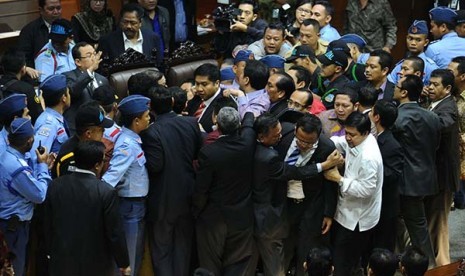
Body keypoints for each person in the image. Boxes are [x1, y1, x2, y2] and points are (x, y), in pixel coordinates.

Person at [252, 113, 342, 276]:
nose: (303, 144)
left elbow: (330, 183)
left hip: (311, 206)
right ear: (295, 130)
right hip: (284, 203)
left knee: (305, 250)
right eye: (300, 139)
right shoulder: (282, 134)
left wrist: (329, 213)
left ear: (318, 135)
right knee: (283, 249)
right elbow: (286, 171)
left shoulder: (327, 147)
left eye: (309, 142)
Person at [140, 86, 202, 275]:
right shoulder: (191, 123)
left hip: (163, 200)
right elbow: (197, 153)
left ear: (150, 107)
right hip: (188, 193)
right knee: (183, 248)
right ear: (173, 103)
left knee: (162, 250)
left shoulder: (151, 132)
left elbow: (156, 166)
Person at [44, 141, 130, 276]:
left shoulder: (55, 186)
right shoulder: (106, 192)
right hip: (96, 264)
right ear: (97, 165)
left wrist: (49, 252)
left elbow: (47, 223)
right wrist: (123, 263)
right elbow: (114, 232)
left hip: (61, 259)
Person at [192, 109, 256, 276]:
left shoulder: (209, 153)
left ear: (217, 126)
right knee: (239, 265)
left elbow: (202, 189)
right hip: (242, 216)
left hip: (214, 218)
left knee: (210, 264)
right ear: (239, 125)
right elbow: (249, 123)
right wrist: (247, 112)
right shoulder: (248, 144)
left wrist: (196, 211)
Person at [324, 112, 384, 276]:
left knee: (343, 262)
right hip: (346, 211)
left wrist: (339, 179)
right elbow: (341, 142)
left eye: (352, 135)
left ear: (365, 133)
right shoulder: (359, 139)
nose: (348, 138)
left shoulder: (369, 157)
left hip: (358, 219)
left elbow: (367, 190)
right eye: (346, 132)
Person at [392, 75, 440, 268]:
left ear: (404, 92)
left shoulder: (397, 117)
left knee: (410, 225)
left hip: (405, 178)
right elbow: (435, 146)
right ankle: (423, 265)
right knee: (417, 225)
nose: (393, 89)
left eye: (397, 86)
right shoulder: (432, 116)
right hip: (426, 177)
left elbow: (393, 151)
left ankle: (425, 267)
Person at [102, 95, 151, 276]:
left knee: (135, 255)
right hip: (130, 205)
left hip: (135, 205)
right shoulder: (127, 145)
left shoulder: (132, 139)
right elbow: (110, 179)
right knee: (128, 259)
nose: (149, 119)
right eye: (146, 116)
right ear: (136, 121)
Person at [0, 118, 52, 276]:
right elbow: (39, 194)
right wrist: (43, 166)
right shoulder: (17, 167)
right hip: (14, 228)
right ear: (29, 140)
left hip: (8, 224)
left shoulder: (6, 156)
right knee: (14, 269)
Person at [426, 69, 460, 266]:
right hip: (435, 175)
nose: (430, 87)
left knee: (439, 223)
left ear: (447, 88)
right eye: (429, 83)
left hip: (443, 176)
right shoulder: (434, 103)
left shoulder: (448, 108)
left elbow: (444, 123)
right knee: (434, 221)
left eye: (435, 84)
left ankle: (442, 265)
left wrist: (419, 116)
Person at [368, 100, 404, 253]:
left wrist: (369, 171)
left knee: (382, 246)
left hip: (385, 204)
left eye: (372, 111)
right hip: (375, 202)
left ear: (376, 117)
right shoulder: (376, 137)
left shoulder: (391, 144)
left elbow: (393, 173)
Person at [52, 103, 113, 178]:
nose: (103, 132)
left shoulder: (89, 149)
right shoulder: (70, 158)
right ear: (88, 134)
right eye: (101, 130)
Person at [63, 42, 108, 135]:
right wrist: (90, 71)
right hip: (77, 130)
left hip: (99, 129)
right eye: (89, 55)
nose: (94, 58)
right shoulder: (68, 77)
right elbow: (73, 91)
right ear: (78, 62)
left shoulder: (102, 79)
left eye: (94, 54)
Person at [97, 3, 163, 65]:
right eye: (125, 22)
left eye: (133, 23)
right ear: (120, 21)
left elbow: (159, 65)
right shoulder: (107, 41)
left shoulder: (153, 38)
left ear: (140, 23)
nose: (128, 26)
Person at [388, 20, 439, 86]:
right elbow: (389, 87)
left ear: (426, 42)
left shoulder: (431, 68)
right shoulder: (399, 66)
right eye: (410, 38)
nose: (413, 43)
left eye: (418, 40)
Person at [0, 49, 43, 124]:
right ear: (23, 69)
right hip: (20, 131)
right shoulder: (26, 89)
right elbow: (38, 117)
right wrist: (41, 102)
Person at [32, 74, 71, 155]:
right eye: (68, 93)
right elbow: (37, 157)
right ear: (64, 98)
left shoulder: (56, 118)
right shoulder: (49, 124)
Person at [17, 0, 62, 68]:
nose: (56, 12)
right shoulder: (29, 30)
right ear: (41, 10)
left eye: (58, 8)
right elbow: (23, 58)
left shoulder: (67, 26)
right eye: (51, 9)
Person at [186, 64, 224, 133]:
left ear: (216, 83)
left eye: (204, 84)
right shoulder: (196, 98)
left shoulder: (224, 103)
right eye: (197, 84)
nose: (199, 89)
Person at [448, 56, 465, 210]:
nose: (446, 74)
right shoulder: (447, 93)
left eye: (450, 72)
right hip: (452, 153)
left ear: (462, 76)